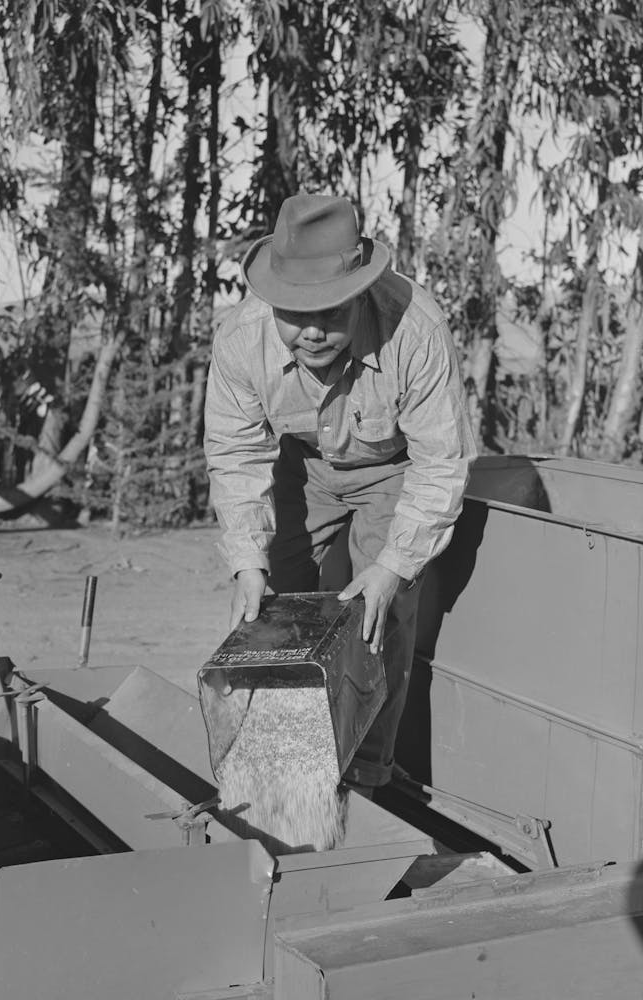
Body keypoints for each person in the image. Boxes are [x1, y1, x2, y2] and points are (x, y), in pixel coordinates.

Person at [204, 193, 476, 798]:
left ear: (361, 294)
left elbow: (440, 462)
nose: (312, 332)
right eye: (295, 313)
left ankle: (367, 775)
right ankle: (282, 768)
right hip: (301, 465)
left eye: (330, 312)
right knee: (273, 608)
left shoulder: (417, 329)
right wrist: (248, 562)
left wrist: (393, 567)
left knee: (378, 614)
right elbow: (236, 455)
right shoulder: (240, 339)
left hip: (393, 467)